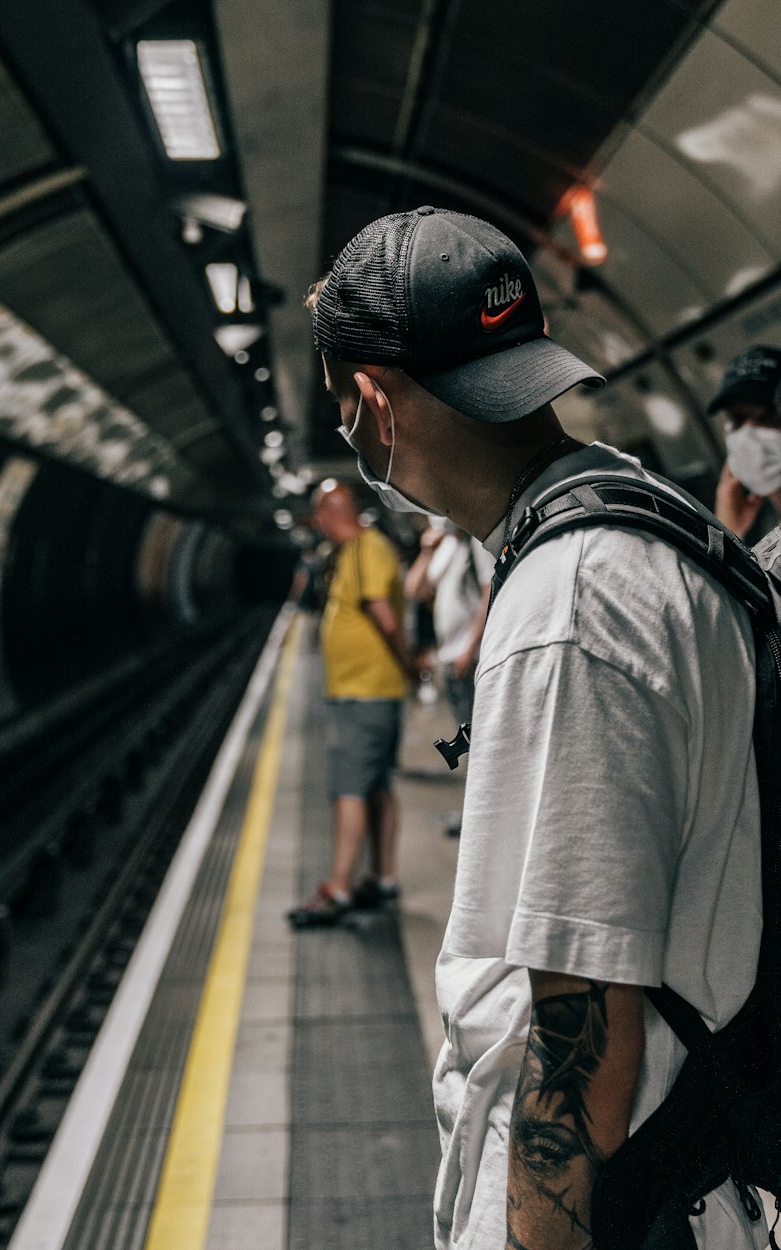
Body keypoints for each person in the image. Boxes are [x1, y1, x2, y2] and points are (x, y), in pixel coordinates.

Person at [305, 206, 761, 1249]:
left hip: (627, 1198)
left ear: (375, 402)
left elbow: (583, 1050)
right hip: (688, 1161)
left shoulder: (567, 607)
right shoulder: (636, 505)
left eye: (341, 403)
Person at [287, 479, 413, 927]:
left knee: (348, 788)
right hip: (364, 689)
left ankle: (339, 887)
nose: (318, 523)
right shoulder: (352, 553)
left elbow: (383, 614)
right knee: (376, 784)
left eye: (320, 514)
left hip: (365, 690)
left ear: (331, 512)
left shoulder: (367, 550)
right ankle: (382, 878)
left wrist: (409, 665)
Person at [405, 520, 493, 729]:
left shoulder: (477, 545)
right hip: (449, 655)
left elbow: (488, 593)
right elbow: (414, 590)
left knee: (476, 729)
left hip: (472, 656)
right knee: (463, 726)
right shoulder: (446, 546)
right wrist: (427, 551)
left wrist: (469, 649)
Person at [710, 345, 781, 540]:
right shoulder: (767, 529)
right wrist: (729, 534)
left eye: (767, 418)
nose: (748, 434)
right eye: (737, 419)